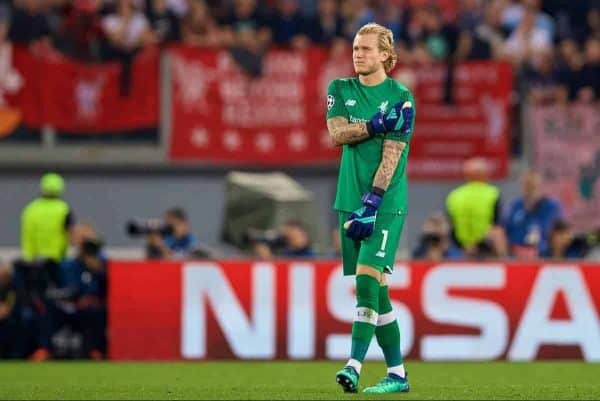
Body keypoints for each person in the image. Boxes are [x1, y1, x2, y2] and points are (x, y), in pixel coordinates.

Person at [326, 22, 415, 394]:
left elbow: (392, 156)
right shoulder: (340, 89)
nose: (358, 53)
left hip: (384, 201)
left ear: (385, 55)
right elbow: (337, 134)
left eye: (366, 48)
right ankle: (397, 375)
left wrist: (374, 201)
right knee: (378, 291)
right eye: (355, 48)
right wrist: (377, 123)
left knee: (365, 279)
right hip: (349, 199)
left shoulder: (401, 96)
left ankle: (353, 365)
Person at [446, 157, 507, 258]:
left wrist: (466, 245)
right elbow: (497, 225)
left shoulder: (454, 195)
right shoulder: (492, 193)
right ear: (484, 174)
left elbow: (451, 224)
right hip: (486, 248)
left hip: (461, 248)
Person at [503, 170, 563, 259]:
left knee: (561, 236)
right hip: (515, 249)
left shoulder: (551, 205)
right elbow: (504, 228)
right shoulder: (514, 205)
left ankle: (557, 264)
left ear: (540, 186)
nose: (530, 188)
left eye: (533, 185)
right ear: (522, 186)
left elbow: (557, 228)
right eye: (527, 185)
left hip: (541, 248)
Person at [21, 173, 74, 264]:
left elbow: (26, 233)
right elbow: (69, 233)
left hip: (34, 259)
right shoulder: (64, 208)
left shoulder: (31, 208)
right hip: (57, 258)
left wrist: (28, 256)